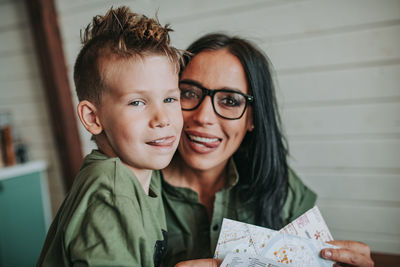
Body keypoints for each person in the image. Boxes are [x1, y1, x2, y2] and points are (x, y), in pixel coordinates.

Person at [161, 33, 374, 267]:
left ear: (253, 118)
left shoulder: (282, 189)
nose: (203, 117)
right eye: (189, 93)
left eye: (230, 100)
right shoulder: (133, 187)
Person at [37, 6, 183, 267]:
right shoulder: (111, 190)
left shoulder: (143, 177)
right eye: (137, 102)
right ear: (93, 118)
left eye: (170, 98)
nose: (163, 118)